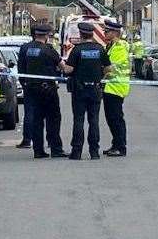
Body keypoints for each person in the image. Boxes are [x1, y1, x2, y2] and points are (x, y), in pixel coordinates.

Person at [17, 23, 67, 158]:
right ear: (46, 36)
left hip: (31, 88)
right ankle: (56, 148)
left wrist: (25, 85)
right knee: (53, 119)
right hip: (48, 89)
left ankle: (38, 150)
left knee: (37, 120)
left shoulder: (25, 48)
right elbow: (63, 67)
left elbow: (21, 69)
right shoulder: (49, 50)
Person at [63, 21, 109, 160]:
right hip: (95, 89)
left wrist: (63, 67)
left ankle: (76, 152)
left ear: (81, 34)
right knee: (94, 120)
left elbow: (69, 69)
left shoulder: (77, 50)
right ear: (92, 34)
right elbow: (108, 68)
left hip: (79, 90)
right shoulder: (100, 49)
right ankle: (94, 152)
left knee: (79, 120)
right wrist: (100, 75)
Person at [103, 20, 130, 157]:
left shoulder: (119, 47)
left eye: (106, 31)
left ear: (114, 33)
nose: (104, 33)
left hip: (116, 86)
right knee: (111, 118)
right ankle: (115, 144)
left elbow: (110, 67)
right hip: (110, 86)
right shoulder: (111, 46)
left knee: (116, 118)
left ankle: (120, 146)